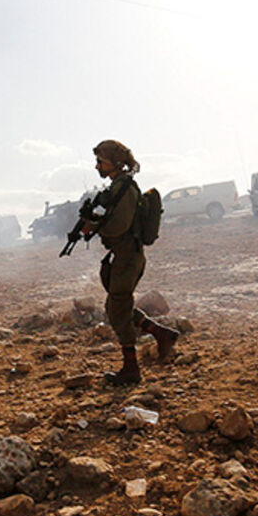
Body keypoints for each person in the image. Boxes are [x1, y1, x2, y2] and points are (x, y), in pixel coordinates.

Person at [78, 139, 179, 385]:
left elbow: (118, 226)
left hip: (127, 256)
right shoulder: (118, 187)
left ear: (114, 163)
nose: (97, 167)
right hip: (124, 256)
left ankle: (132, 369)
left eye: (101, 162)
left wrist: (96, 227)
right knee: (117, 307)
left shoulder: (125, 188)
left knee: (117, 308)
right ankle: (161, 334)